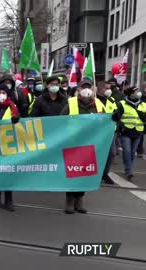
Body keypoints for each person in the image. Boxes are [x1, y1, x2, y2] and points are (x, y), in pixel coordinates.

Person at [61, 79, 104, 214]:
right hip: (73, 143)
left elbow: (105, 119)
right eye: (83, 87)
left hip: (91, 143)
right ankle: (69, 200)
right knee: (73, 172)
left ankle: (79, 199)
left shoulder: (98, 103)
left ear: (93, 89)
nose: (86, 90)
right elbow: (61, 120)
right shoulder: (71, 102)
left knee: (85, 172)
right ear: (78, 90)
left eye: (89, 87)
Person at [112, 86, 146, 182]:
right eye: (136, 91)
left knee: (132, 152)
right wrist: (121, 127)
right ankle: (129, 170)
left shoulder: (143, 104)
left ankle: (128, 168)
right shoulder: (122, 103)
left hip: (138, 131)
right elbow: (117, 117)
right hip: (126, 131)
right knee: (127, 150)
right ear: (131, 93)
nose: (139, 93)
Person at [96, 81, 117, 184]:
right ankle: (96, 173)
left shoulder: (111, 100)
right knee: (97, 153)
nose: (109, 90)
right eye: (107, 88)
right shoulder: (94, 100)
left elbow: (115, 112)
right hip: (97, 132)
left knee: (112, 153)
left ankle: (105, 173)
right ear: (100, 89)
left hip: (110, 130)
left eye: (110, 88)